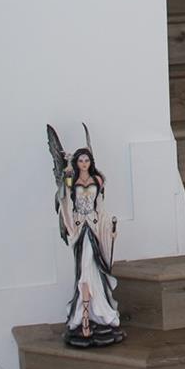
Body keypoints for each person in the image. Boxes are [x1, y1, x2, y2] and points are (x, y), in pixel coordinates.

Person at [46, 125, 125, 348]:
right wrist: (67, 167)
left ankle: (97, 313)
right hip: (81, 229)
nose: (83, 164)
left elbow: (100, 207)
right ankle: (84, 317)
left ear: (90, 162)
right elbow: (67, 200)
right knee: (84, 271)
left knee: (94, 270)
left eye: (86, 160)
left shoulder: (97, 180)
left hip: (95, 226)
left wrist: (108, 229)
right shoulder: (73, 181)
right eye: (80, 160)